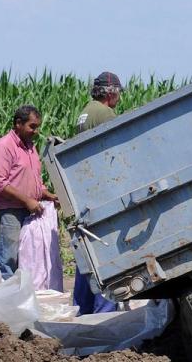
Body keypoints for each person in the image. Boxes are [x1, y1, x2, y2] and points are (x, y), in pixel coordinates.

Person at [72, 72, 123, 314]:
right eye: (118, 93)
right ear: (111, 92)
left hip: (85, 191)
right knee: (106, 250)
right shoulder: (105, 114)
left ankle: (83, 309)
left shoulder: (85, 111)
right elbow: (115, 151)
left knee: (87, 252)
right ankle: (105, 312)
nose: (119, 98)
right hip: (102, 192)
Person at [0, 105, 58, 278]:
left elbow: (34, 181)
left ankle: (22, 298)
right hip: (10, 212)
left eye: (37, 127)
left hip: (29, 211)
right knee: (8, 260)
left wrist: (47, 195)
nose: (36, 131)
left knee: (27, 259)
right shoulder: (4, 146)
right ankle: (6, 301)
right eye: (32, 126)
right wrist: (27, 200)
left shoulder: (30, 147)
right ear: (18, 123)